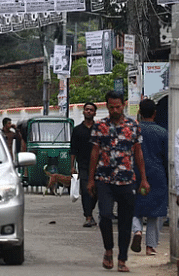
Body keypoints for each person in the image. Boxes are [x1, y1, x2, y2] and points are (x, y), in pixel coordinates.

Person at [87, 91, 150, 272]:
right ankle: (108, 249)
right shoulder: (100, 126)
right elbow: (94, 153)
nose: (115, 110)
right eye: (111, 107)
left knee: (125, 221)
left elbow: (138, 153)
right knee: (105, 216)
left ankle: (122, 259)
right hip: (104, 180)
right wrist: (90, 179)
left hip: (127, 180)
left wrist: (143, 179)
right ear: (107, 106)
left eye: (118, 106)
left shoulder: (133, 125)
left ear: (123, 105)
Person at [131, 99, 167, 256]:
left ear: (139, 111)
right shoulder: (162, 132)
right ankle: (150, 246)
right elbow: (166, 157)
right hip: (157, 173)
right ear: (155, 113)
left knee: (134, 206)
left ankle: (137, 231)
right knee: (156, 210)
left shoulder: (133, 130)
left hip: (135, 172)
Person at [70, 102, 99, 227]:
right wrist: (72, 166)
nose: (88, 111)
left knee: (96, 191)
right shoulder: (77, 130)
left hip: (99, 166)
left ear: (94, 113)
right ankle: (88, 216)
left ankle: (90, 211)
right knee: (86, 191)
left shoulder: (98, 130)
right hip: (83, 165)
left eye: (91, 110)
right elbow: (73, 149)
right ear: (83, 112)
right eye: (86, 109)